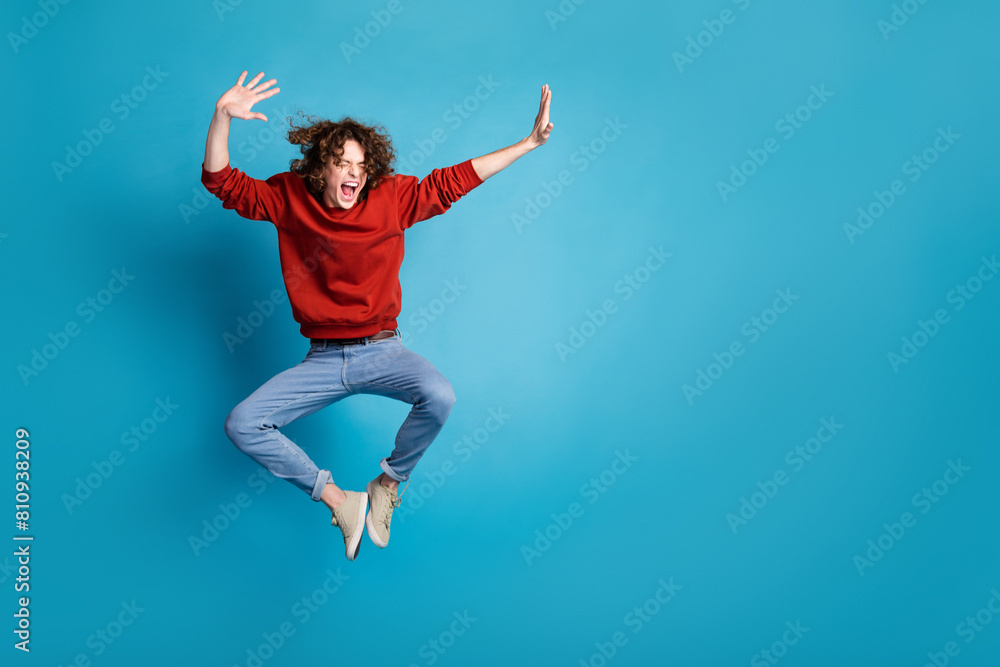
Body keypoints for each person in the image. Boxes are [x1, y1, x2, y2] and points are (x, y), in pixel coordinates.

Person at [202, 71, 553, 560]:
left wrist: (527, 143)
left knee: (439, 395)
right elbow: (222, 182)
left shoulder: (391, 198)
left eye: (361, 166)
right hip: (322, 360)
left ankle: (387, 484)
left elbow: (453, 181)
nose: (353, 174)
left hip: (382, 350)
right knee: (243, 423)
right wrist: (221, 117)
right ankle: (341, 501)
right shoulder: (288, 198)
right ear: (320, 167)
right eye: (342, 163)